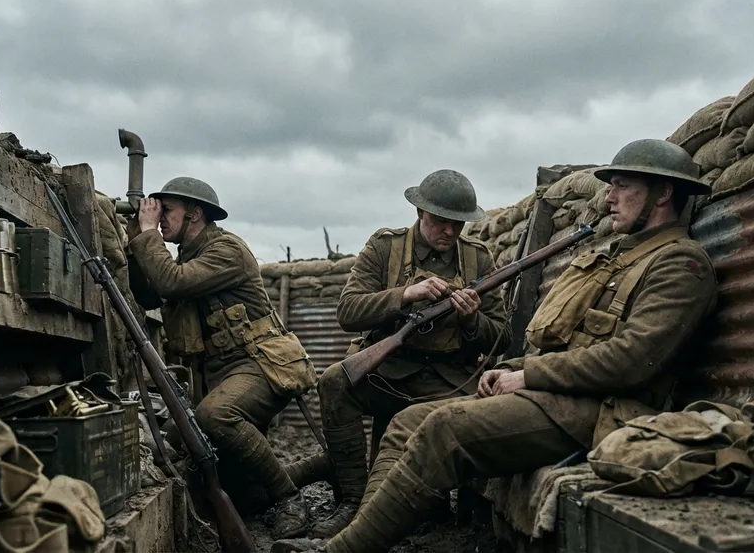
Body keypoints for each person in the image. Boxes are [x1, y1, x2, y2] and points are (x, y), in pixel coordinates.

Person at [273, 138, 720, 552]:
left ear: (663, 193)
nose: (608, 198)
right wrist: (412, 302)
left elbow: (630, 361)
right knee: (405, 420)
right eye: (611, 187)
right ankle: (358, 525)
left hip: (604, 407)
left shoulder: (679, 263)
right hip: (549, 389)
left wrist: (507, 356)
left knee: (442, 427)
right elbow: (350, 309)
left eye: (622, 187)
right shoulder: (619, 256)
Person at [305, 169, 512, 538]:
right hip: (390, 372)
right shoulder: (384, 248)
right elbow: (348, 311)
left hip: (450, 381)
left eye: (457, 224)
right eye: (440, 221)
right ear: (420, 212)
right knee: (335, 382)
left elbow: (502, 337)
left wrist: (471, 320)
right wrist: (404, 295)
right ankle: (352, 500)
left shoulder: (478, 259)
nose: (449, 231)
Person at [126, 176, 318, 539]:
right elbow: (150, 296)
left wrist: (149, 234)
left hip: (258, 365)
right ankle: (322, 466)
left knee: (214, 416)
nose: (160, 217)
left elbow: (171, 282)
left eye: (167, 210)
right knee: (230, 488)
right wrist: (138, 239)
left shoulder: (226, 250)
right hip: (216, 376)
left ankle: (290, 499)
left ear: (196, 213)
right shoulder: (185, 257)